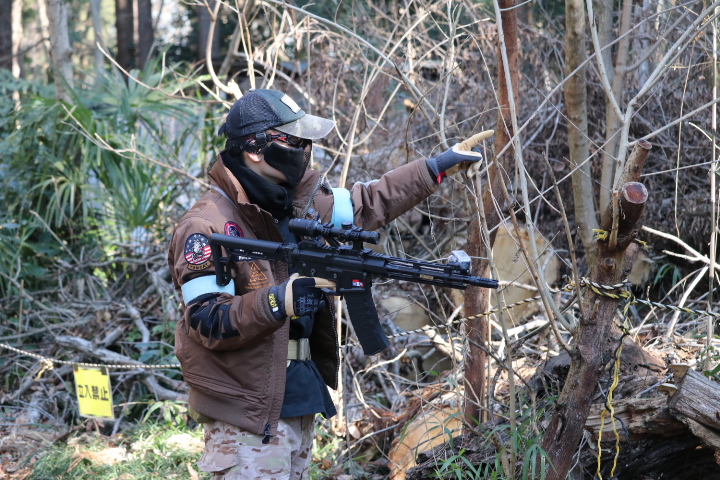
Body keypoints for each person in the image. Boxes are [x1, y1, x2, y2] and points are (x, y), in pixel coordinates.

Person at [167, 88, 484, 479]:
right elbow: (206, 320)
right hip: (247, 413)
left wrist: (435, 168)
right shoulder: (206, 224)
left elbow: (369, 203)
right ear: (255, 148)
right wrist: (278, 301)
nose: (305, 151)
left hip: (298, 396)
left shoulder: (296, 203)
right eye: (296, 141)